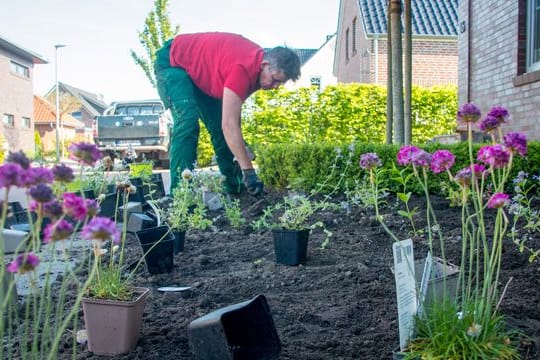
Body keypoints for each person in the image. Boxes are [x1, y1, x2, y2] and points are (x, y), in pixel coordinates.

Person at [154, 32, 301, 196]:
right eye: (275, 79)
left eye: (280, 83)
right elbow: (229, 125)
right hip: (172, 62)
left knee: (219, 128)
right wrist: (249, 172)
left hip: (199, 75)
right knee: (187, 123)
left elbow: (231, 123)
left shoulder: (258, 73)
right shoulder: (242, 68)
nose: (275, 86)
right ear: (265, 64)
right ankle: (181, 196)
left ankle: (236, 190)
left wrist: (243, 158)